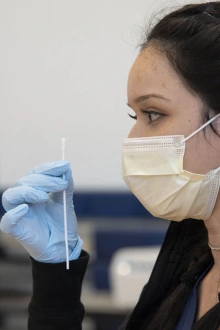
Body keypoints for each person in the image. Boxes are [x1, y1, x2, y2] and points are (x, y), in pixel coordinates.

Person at [1, 1, 220, 329]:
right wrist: (57, 275)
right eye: (135, 116)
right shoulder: (190, 263)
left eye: (153, 114)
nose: (133, 138)